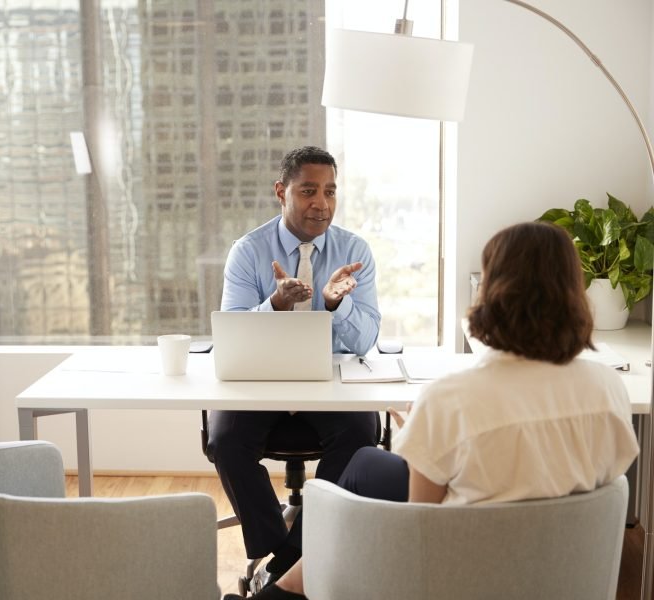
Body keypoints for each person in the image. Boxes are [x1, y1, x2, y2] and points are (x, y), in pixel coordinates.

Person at [223, 221, 640, 600]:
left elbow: (419, 527)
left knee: (359, 484)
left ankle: (287, 585)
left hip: (465, 574)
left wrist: (418, 441)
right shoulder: (608, 389)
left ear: (493, 290)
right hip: (563, 576)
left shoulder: (451, 399)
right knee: (366, 461)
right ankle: (291, 579)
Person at [208, 146, 382, 585]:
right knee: (226, 439)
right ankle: (291, 558)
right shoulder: (248, 251)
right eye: (308, 191)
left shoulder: (354, 251)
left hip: (329, 384)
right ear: (281, 192)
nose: (320, 203)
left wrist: (332, 304)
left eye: (329, 191)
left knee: (361, 435)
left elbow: (365, 341)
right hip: (261, 383)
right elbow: (232, 334)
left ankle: (286, 566)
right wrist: (275, 304)